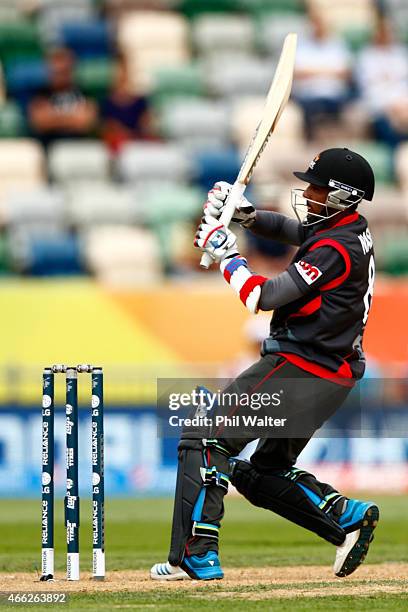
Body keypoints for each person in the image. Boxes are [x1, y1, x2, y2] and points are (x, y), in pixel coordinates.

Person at [150, 147, 379, 581]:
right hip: (333, 380)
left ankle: (195, 552)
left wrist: (227, 256)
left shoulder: (335, 246)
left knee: (205, 436)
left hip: (298, 367)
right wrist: (249, 217)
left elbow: (263, 297)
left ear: (340, 195)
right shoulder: (350, 229)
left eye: (316, 187)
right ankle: (345, 515)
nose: (307, 193)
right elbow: (297, 231)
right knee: (262, 474)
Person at [293, 11, 352, 139]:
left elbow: (345, 72)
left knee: (343, 106)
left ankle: (337, 141)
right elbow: (298, 72)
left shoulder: (337, 44)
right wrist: (328, 71)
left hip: (334, 93)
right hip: (309, 93)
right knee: (309, 108)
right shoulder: (302, 46)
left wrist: (314, 71)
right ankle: (310, 139)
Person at [28, 47, 98, 148]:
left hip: (80, 146)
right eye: (56, 71)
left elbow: (86, 122)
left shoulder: (84, 93)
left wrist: (53, 116)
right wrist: (72, 117)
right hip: (49, 146)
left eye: (64, 71)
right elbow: (39, 122)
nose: (59, 75)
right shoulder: (40, 94)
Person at [355, 16, 408, 148]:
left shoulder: (400, 53)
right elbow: (367, 82)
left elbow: (402, 78)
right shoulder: (367, 54)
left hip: (401, 98)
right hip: (378, 98)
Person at [100, 56, 155, 154]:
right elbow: (108, 126)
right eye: (118, 73)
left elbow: (147, 124)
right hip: (118, 142)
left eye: (125, 72)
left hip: (138, 140)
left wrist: (145, 125)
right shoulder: (106, 102)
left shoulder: (141, 100)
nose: (122, 76)